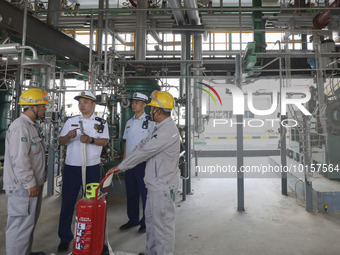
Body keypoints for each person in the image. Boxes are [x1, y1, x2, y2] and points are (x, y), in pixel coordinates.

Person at [108, 90, 180, 255]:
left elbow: (144, 151)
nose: (150, 111)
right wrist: (125, 162)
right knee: (152, 223)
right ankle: (151, 252)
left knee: (162, 227)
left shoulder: (166, 131)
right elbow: (142, 144)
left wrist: (121, 166)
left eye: (152, 108)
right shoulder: (161, 127)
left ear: (158, 111)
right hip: (155, 184)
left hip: (162, 186)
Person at [57, 91, 109, 252]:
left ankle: (96, 237)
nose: (81, 105)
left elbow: (105, 141)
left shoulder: (101, 122)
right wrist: (68, 136)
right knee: (67, 203)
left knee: (94, 203)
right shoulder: (71, 121)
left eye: (85, 102)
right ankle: (65, 237)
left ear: (93, 104)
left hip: (92, 167)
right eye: (80, 102)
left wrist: (91, 140)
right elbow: (61, 141)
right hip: (72, 167)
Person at [4, 88, 51, 255]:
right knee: (19, 227)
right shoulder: (20, 127)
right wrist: (30, 183)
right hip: (22, 187)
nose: (45, 109)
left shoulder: (30, 126)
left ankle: (26, 252)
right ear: (34, 107)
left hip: (31, 186)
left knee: (28, 224)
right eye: (43, 106)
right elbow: (20, 160)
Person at [119, 92, 155, 234]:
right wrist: (124, 160)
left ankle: (145, 221)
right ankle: (132, 219)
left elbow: (153, 144)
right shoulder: (129, 122)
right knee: (131, 193)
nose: (134, 105)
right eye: (133, 102)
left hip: (143, 163)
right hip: (129, 163)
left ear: (145, 105)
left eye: (137, 103)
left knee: (145, 193)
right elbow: (127, 142)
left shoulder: (151, 123)